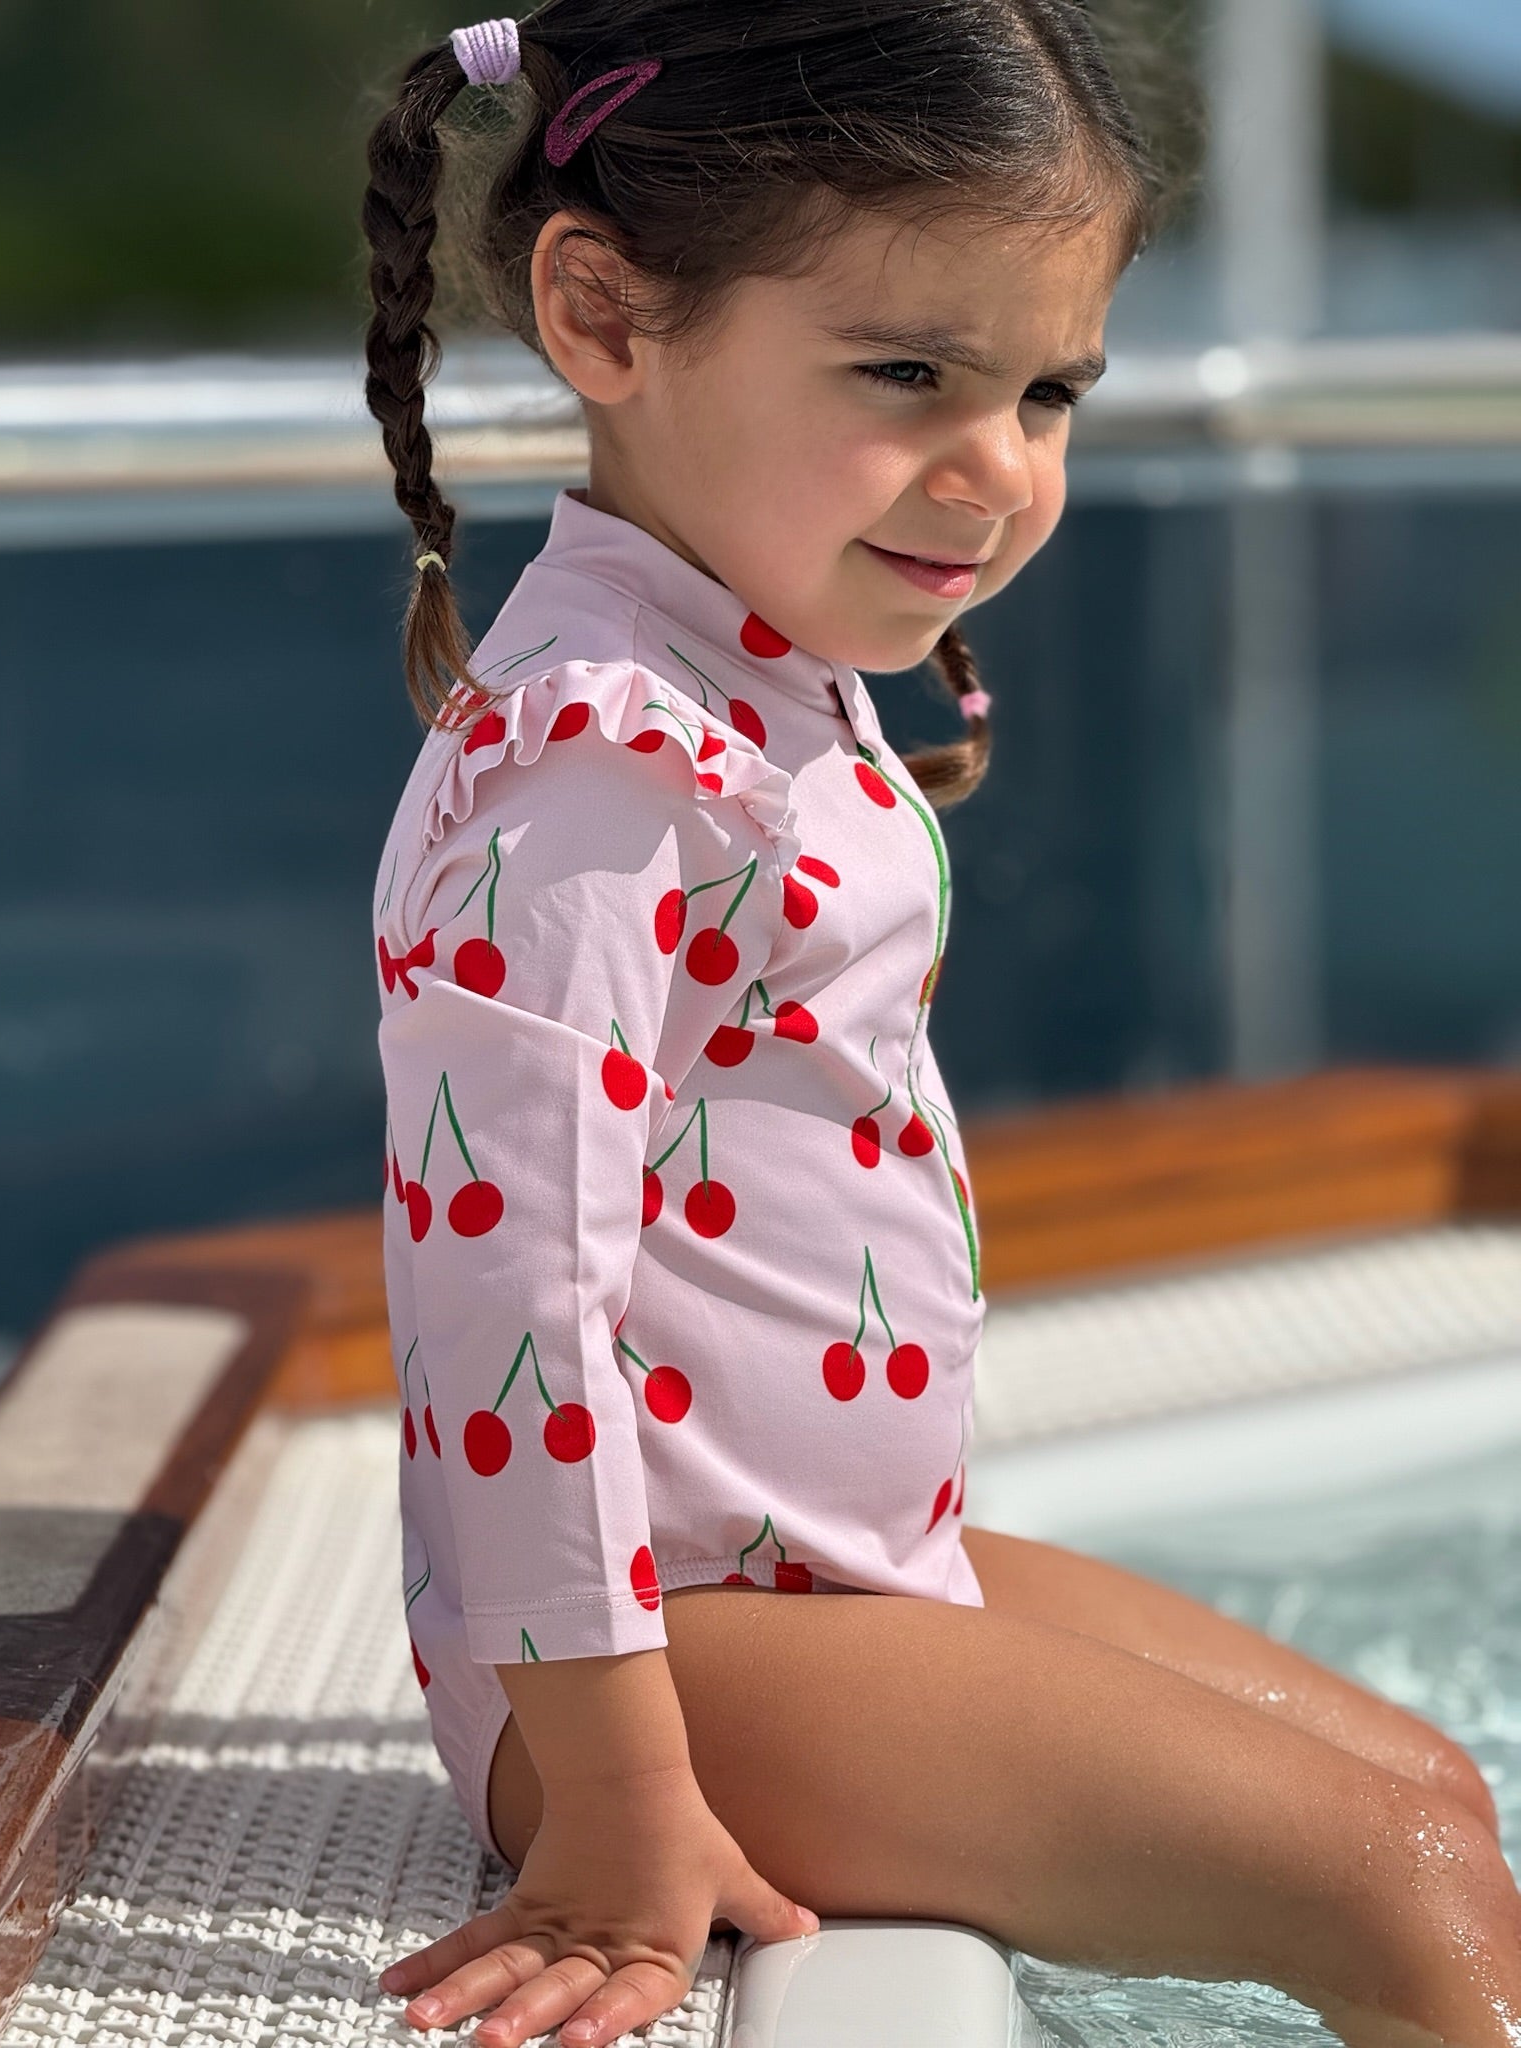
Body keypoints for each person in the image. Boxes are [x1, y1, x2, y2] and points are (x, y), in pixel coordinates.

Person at [361, 8, 1521, 2046]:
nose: (999, 468)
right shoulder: (602, 763)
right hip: (658, 1658)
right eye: (911, 374)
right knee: (1395, 1884)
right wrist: (621, 1800)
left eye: (1049, 388)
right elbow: (502, 1300)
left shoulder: (748, 678)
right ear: (608, 313)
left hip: (812, 1579)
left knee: (1436, 1796)